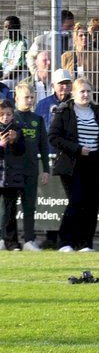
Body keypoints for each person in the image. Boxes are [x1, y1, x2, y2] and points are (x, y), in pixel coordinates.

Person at [49, 78, 99, 252]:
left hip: (93, 163)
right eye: (82, 91)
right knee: (76, 201)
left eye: (88, 91)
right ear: (74, 93)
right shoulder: (64, 111)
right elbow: (53, 137)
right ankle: (65, 242)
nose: (86, 95)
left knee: (92, 204)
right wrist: (77, 149)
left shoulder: (96, 112)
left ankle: (85, 244)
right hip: (72, 164)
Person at [9, 83, 49, 250]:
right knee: (9, 206)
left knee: (29, 206)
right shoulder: (11, 118)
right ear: (17, 98)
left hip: (31, 169)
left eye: (32, 97)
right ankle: (8, 240)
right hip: (12, 170)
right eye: (26, 97)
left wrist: (46, 169)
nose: (30, 100)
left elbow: (43, 147)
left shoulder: (37, 120)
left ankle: (29, 240)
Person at [0, 99, 26, 250]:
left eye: (8, 114)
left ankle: (12, 242)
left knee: (11, 210)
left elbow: (21, 151)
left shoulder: (17, 129)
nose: (5, 117)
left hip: (11, 177)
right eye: (2, 114)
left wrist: (14, 141)